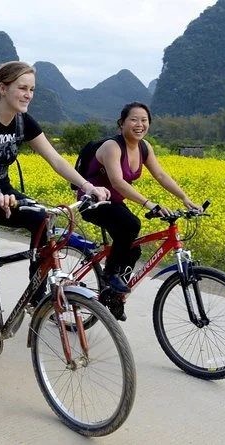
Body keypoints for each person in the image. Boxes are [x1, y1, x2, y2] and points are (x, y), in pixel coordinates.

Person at [0, 61, 110, 381]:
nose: (28, 94)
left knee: (43, 221)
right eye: (22, 88)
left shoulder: (24, 122)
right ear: (3, 87)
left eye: (32, 89)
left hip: (5, 195)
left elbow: (55, 159)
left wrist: (88, 186)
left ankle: (38, 295)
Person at [78, 101, 202, 321]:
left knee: (133, 249)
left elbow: (161, 176)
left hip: (115, 203)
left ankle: (114, 295)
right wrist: (149, 204)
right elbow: (117, 182)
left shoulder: (144, 147)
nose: (139, 124)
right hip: (94, 202)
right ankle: (110, 274)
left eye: (144, 120)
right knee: (132, 225)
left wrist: (185, 199)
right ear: (122, 123)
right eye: (133, 119)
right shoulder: (112, 147)